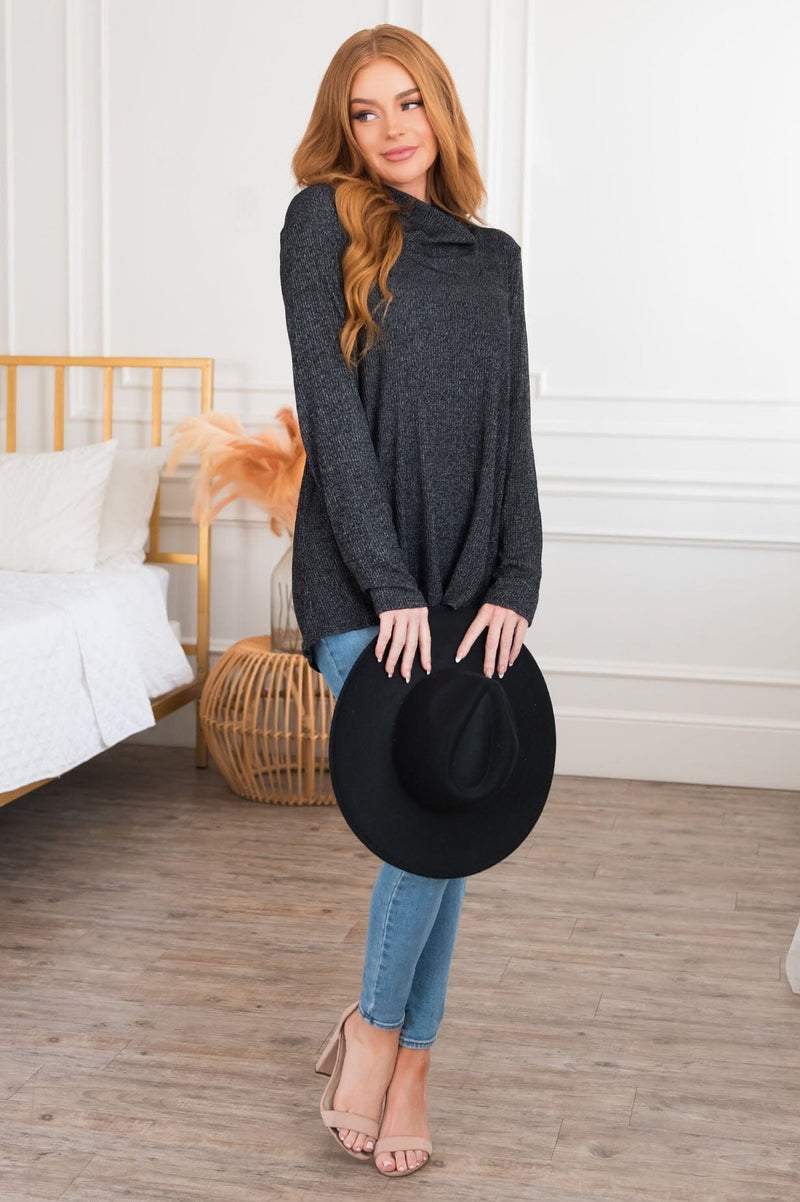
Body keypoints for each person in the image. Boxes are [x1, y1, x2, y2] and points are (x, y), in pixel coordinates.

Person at [279, 23, 543, 1177]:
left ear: (438, 110)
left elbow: (509, 430)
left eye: (406, 103)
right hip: (359, 585)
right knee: (430, 817)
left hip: (469, 583)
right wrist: (388, 586)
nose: (389, 128)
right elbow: (328, 415)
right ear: (342, 129)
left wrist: (517, 577)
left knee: (456, 808)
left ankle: (395, 1051)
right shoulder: (321, 222)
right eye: (363, 110)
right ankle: (384, 1036)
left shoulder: (494, 256)